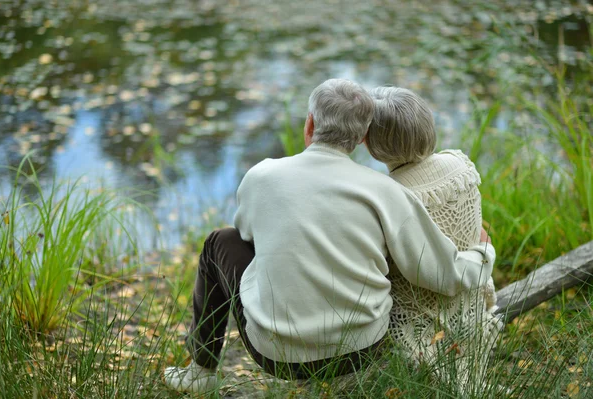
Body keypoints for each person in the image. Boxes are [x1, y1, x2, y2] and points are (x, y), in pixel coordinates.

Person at [164, 79, 496, 394]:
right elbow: (442, 273)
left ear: (310, 125)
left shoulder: (261, 176)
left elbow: (248, 235)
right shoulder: (385, 191)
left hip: (277, 356)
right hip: (362, 349)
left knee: (219, 242)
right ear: (363, 136)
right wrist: (482, 253)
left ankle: (201, 371)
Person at [365, 86, 503, 389]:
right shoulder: (460, 164)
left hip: (420, 332)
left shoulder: (387, 196)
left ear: (372, 144)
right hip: (471, 311)